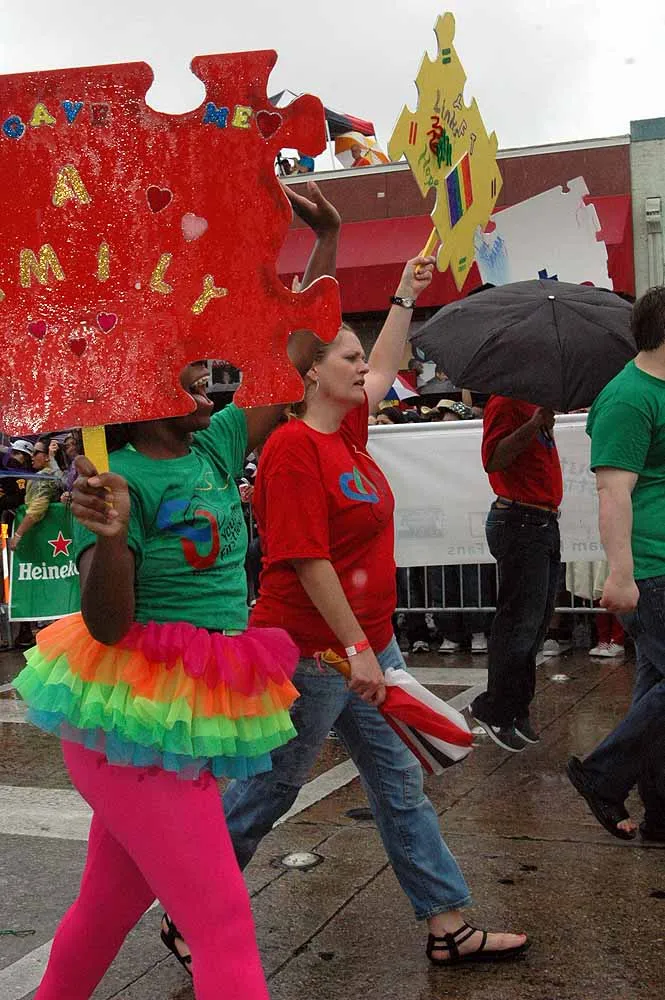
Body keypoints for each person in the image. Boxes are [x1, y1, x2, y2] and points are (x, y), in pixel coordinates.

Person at [12, 180, 342, 1000]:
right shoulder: (114, 478)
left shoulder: (215, 446)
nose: (213, 385)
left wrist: (325, 244)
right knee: (221, 921)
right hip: (127, 717)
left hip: (192, 701)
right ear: (146, 386)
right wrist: (111, 537)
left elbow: (294, 354)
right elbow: (107, 626)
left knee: (105, 910)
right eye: (196, 373)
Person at [218, 257, 528, 967]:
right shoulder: (292, 449)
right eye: (348, 358)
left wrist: (403, 297)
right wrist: (357, 649)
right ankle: (189, 904)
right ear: (310, 374)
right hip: (312, 651)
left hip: (365, 646)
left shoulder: (346, 433)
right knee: (269, 790)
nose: (365, 368)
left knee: (398, 785)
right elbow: (307, 560)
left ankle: (447, 925)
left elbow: (386, 364)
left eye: (361, 358)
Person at [567, 286, 665, 840]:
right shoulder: (627, 398)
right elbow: (612, 492)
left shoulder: (655, 389)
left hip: (656, 567)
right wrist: (621, 574)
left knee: (654, 696)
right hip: (652, 569)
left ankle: (661, 812)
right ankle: (602, 776)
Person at [471, 398, 562, 752]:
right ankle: (496, 709)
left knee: (534, 623)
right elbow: (492, 459)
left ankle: (515, 706)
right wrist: (533, 425)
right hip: (521, 520)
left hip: (538, 520)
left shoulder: (527, 402)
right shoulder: (505, 402)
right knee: (519, 623)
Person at [9, 437, 63, 553]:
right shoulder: (59, 475)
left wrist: (17, 535)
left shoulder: (43, 476)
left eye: (36, 453)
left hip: (44, 536)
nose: (32, 457)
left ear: (48, 456)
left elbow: (37, 509)